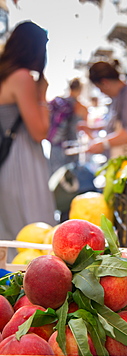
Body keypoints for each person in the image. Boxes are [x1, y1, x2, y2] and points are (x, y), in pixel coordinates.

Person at [0, 21, 57, 261]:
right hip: (23, 162)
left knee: (12, 229)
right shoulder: (22, 78)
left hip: (8, 162)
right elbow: (39, 131)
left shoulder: (4, 74)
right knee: (34, 231)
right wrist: (42, 94)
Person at [79, 61, 127, 158]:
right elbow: (120, 124)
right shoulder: (119, 97)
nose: (102, 92)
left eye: (99, 89)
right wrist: (94, 128)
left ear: (105, 83)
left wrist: (104, 144)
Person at [48, 77, 88, 174]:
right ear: (81, 90)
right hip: (72, 144)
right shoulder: (82, 107)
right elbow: (84, 128)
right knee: (71, 175)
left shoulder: (58, 103)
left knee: (55, 175)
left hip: (56, 143)